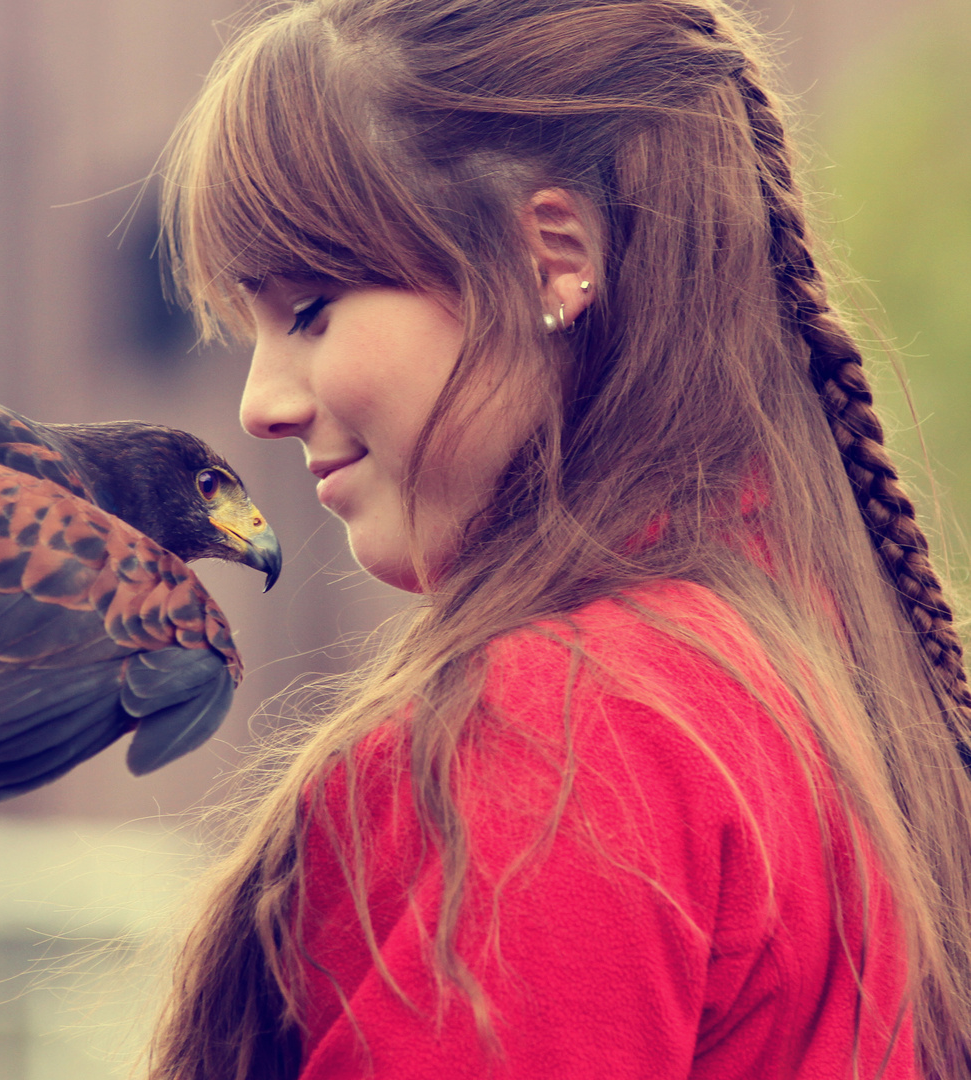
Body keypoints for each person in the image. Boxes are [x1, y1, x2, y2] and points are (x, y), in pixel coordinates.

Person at [145, 1, 971, 1077]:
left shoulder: (566, 734)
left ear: (552, 255)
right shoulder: (812, 663)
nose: (260, 404)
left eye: (310, 309)